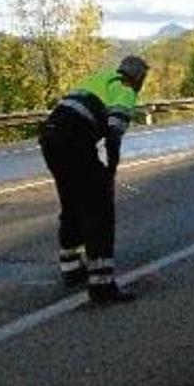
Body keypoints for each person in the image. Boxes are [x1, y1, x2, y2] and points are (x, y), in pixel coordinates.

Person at [38, 55, 149, 303]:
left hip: (50, 138)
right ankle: (102, 287)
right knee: (99, 209)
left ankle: (72, 269)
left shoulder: (99, 78)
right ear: (139, 78)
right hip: (73, 141)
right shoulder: (125, 89)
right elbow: (114, 132)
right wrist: (110, 171)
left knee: (72, 204)